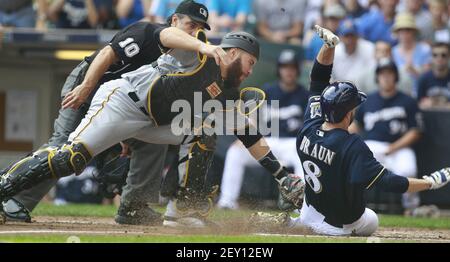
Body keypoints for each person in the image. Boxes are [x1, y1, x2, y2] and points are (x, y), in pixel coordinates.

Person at [0, 31, 304, 227]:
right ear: (234, 52)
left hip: (154, 123)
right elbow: (167, 34)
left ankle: (182, 211)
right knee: (71, 159)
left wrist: (280, 176)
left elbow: (248, 132)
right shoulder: (197, 52)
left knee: (204, 130)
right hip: (123, 102)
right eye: (250, 62)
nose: (251, 71)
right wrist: (203, 45)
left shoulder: (223, 90)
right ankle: (4, 186)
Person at [0, 0, 215, 225]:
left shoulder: (182, 59)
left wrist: (125, 133)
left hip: (121, 106)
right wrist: (84, 88)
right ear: (174, 20)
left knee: (152, 143)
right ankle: (15, 200)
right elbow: (106, 54)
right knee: (64, 146)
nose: (195, 32)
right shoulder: (147, 31)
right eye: (191, 25)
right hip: (87, 85)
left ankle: (134, 207)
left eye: (200, 28)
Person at [253, 25, 449, 236]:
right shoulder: (352, 145)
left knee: (318, 203)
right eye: (354, 106)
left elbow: (318, 79)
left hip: (311, 210)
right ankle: (304, 224)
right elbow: (392, 182)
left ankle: (298, 223)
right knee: (371, 218)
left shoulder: (308, 127)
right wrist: (429, 183)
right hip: (338, 226)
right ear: (347, 113)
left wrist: (328, 46)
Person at [217, 49, 309, 210]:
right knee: (235, 151)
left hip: (291, 143)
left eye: (292, 67)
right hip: (268, 141)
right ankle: (227, 201)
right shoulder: (267, 91)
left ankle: (302, 204)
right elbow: (252, 116)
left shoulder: (304, 95)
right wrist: (244, 137)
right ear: (279, 69)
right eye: (285, 67)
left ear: (298, 70)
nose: (288, 71)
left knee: (304, 156)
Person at [350, 58, 423, 215]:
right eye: (382, 74)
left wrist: (393, 147)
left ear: (396, 76)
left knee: (408, 169)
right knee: (351, 164)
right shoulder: (367, 100)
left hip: (399, 147)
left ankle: (411, 208)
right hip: (372, 147)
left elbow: (416, 131)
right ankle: (349, 205)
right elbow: (356, 126)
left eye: (389, 73)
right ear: (377, 77)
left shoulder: (408, 101)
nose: (386, 77)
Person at [417, 42, 450, 109]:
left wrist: (435, 104)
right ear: (431, 57)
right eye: (435, 55)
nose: (439, 58)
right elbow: (418, 105)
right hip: (430, 118)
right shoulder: (423, 79)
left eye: (443, 55)